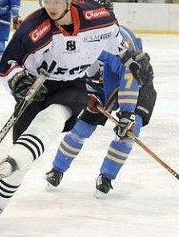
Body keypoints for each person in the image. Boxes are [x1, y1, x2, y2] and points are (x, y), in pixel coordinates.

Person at [0, 0, 153, 225]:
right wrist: (19, 81)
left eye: (56, 0)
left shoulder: (99, 19)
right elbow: (7, 65)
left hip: (73, 86)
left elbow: (119, 44)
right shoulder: (33, 29)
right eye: (46, 0)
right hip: (38, 85)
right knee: (23, 154)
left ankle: (100, 175)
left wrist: (132, 59)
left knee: (60, 112)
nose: (51, 6)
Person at [45, 23, 156, 197]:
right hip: (102, 88)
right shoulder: (75, 44)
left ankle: (106, 177)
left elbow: (130, 78)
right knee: (81, 128)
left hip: (138, 86)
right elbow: (73, 78)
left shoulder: (117, 45)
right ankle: (57, 169)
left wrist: (127, 114)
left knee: (128, 132)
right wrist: (86, 95)